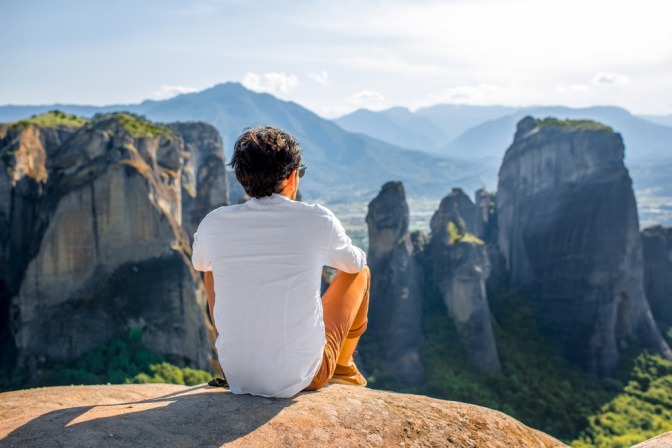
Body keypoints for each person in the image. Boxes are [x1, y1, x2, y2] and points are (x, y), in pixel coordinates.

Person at [191, 126, 370, 398]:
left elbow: (200, 264)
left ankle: (237, 354)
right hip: (304, 376)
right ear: (292, 176)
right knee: (361, 273)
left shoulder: (214, 222)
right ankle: (342, 367)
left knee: (209, 269)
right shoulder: (317, 219)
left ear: (241, 177)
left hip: (238, 375)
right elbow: (354, 264)